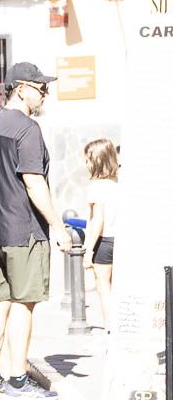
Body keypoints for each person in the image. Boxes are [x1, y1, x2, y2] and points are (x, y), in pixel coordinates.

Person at [0, 62, 68, 400]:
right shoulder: (28, 129)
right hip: (23, 229)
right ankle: (17, 381)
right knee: (23, 305)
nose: (45, 93)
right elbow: (33, 180)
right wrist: (57, 225)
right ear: (20, 88)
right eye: (40, 87)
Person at [81, 138, 119, 329]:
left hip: (103, 241)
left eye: (87, 160)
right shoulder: (118, 183)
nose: (85, 164)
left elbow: (98, 220)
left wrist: (88, 251)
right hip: (120, 238)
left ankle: (111, 326)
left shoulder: (96, 187)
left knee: (103, 285)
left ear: (96, 161)